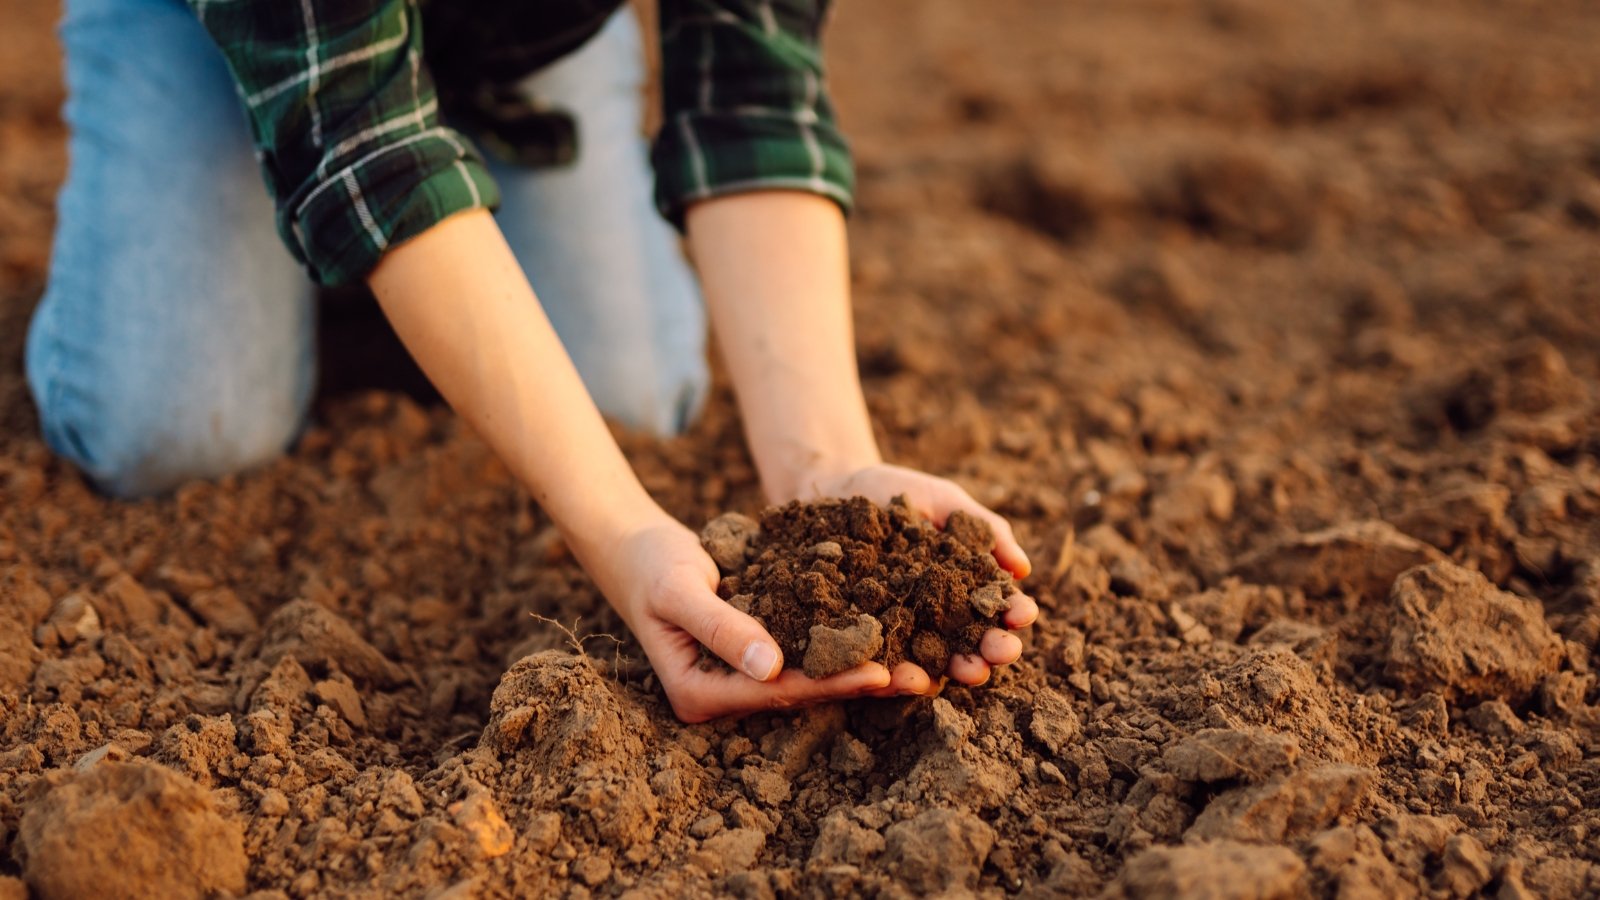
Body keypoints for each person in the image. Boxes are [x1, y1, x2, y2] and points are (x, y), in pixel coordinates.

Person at [25, 0, 1039, 721]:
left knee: (632, 395)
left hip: (525, 35)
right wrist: (615, 529)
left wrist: (828, 482)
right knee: (167, 427)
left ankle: (404, 256)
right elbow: (362, 135)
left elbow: (753, 86)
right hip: (246, 34)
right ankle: (326, 232)